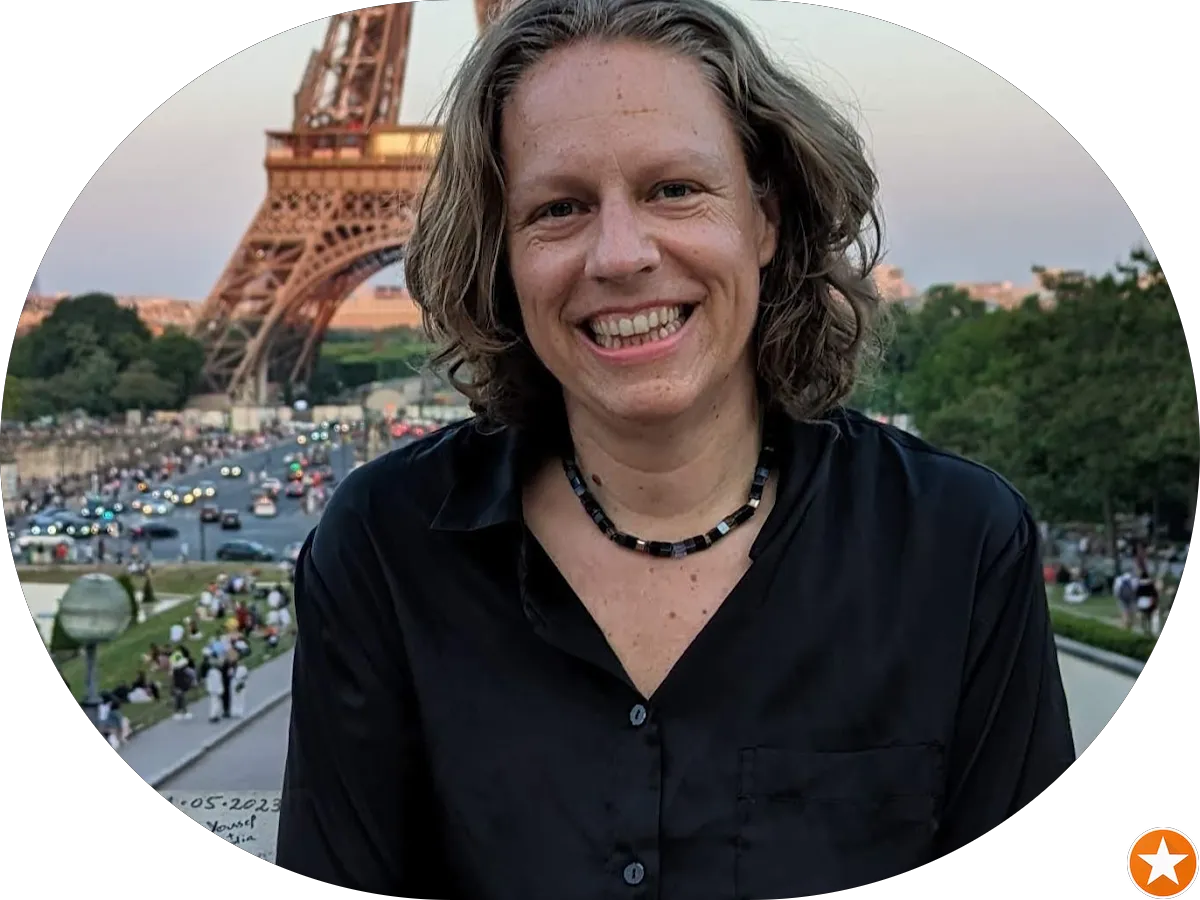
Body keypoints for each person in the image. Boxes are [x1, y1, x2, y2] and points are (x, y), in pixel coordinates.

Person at [276, 1, 1076, 896]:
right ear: (502, 253)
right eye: (559, 207)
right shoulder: (384, 549)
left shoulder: (960, 546)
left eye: (674, 190)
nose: (621, 255)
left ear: (766, 218)